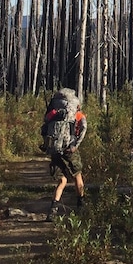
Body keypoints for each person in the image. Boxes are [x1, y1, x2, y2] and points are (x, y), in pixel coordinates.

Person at [45, 92, 87, 220]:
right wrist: (76, 145)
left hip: (56, 149)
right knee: (77, 176)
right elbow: (84, 128)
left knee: (62, 181)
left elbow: (45, 125)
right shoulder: (78, 115)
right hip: (70, 150)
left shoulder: (53, 113)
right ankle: (81, 205)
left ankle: (52, 211)